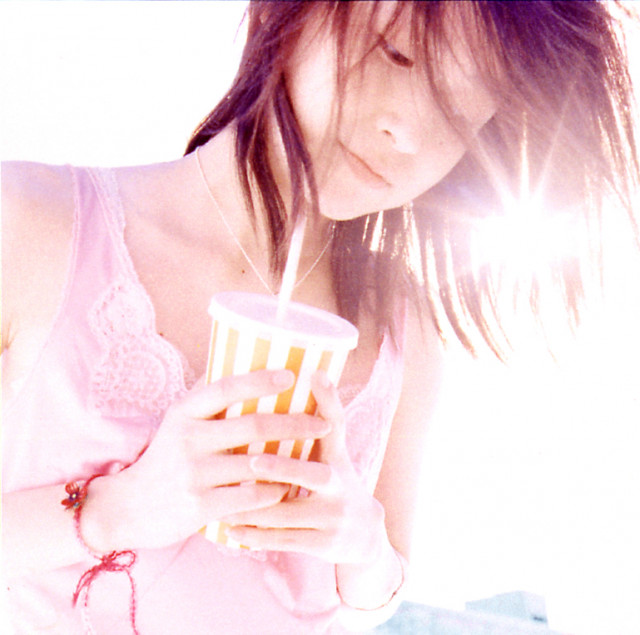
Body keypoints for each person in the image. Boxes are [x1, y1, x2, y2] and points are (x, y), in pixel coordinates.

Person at [2, 1, 637, 633]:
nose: (409, 134)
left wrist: (362, 544)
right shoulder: (28, 222)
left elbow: (379, 594)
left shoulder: (403, 329)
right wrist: (115, 511)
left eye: (461, 113)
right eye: (396, 55)